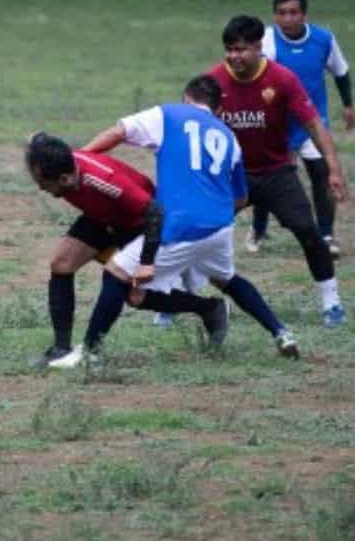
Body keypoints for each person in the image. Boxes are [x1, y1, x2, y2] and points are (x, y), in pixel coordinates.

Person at [67, 76, 301, 366]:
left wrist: (81, 160)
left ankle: (89, 352)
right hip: (219, 226)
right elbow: (240, 199)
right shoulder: (229, 137)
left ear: (186, 98)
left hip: (180, 227)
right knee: (226, 278)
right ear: (217, 110)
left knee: (116, 273)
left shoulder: (168, 114)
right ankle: (280, 331)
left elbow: (118, 132)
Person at [208, 15, 348, 327]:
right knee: (193, 232)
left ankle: (332, 302)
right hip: (232, 175)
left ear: (259, 47)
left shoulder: (282, 79)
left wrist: (333, 169)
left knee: (309, 232)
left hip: (276, 173)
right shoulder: (214, 81)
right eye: (229, 49)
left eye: (241, 49)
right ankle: (171, 301)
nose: (234, 56)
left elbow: (314, 124)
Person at [24, 132, 167, 367]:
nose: (41, 188)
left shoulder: (104, 182)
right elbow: (37, 139)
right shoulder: (64, 167)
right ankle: (61, 349)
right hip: (103, 216)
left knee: (135, 296)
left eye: (43, 184)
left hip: (137, 225)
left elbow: (155, 212)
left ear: (64, 180)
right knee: (61, 263)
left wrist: (146, 262)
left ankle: (208, 308)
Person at [249, 0, 355, 257]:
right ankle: (259, 228)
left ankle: (326, 234)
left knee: (321, 176)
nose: (288, 18)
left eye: (294, 12)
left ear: (304, 14)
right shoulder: (266, 40)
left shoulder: (323, 39)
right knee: (268, 179)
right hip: (276, 125)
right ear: (274, 16)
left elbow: (341, 72)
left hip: (312, 121)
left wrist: (348, 105)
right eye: (282, 13)